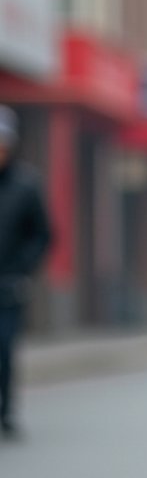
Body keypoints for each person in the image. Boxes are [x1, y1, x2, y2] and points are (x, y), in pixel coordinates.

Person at [0, 106, 53, 437]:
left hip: (8, 286)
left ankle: (5, 410)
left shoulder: (26, 185)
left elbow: (43, 234)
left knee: (4, 349)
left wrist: (23, 269)